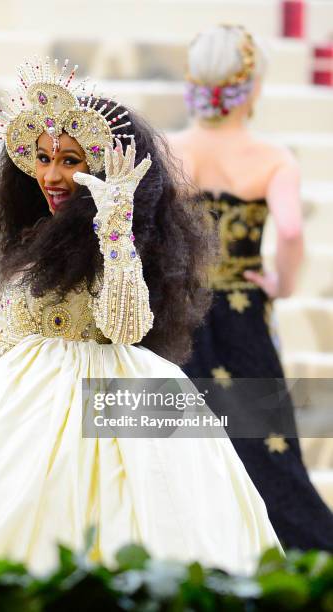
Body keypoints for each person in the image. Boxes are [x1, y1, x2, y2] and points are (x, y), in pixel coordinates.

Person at [0, 57, 281, 575]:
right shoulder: (32, 236)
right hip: (21, 409)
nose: (52, 174)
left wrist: (114, 227)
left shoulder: (121, 237)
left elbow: (125, 328)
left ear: (102, 165)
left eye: (70, 160)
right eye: (44, 158)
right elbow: (8, 333)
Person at [169, 24, 333, 551]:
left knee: (180, 443)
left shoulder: (170, 150)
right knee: (266, 448)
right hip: (243, 314)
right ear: (253, 86)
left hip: (181, 314)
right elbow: (289, 229)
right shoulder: (272, 157)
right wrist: (281, 284)